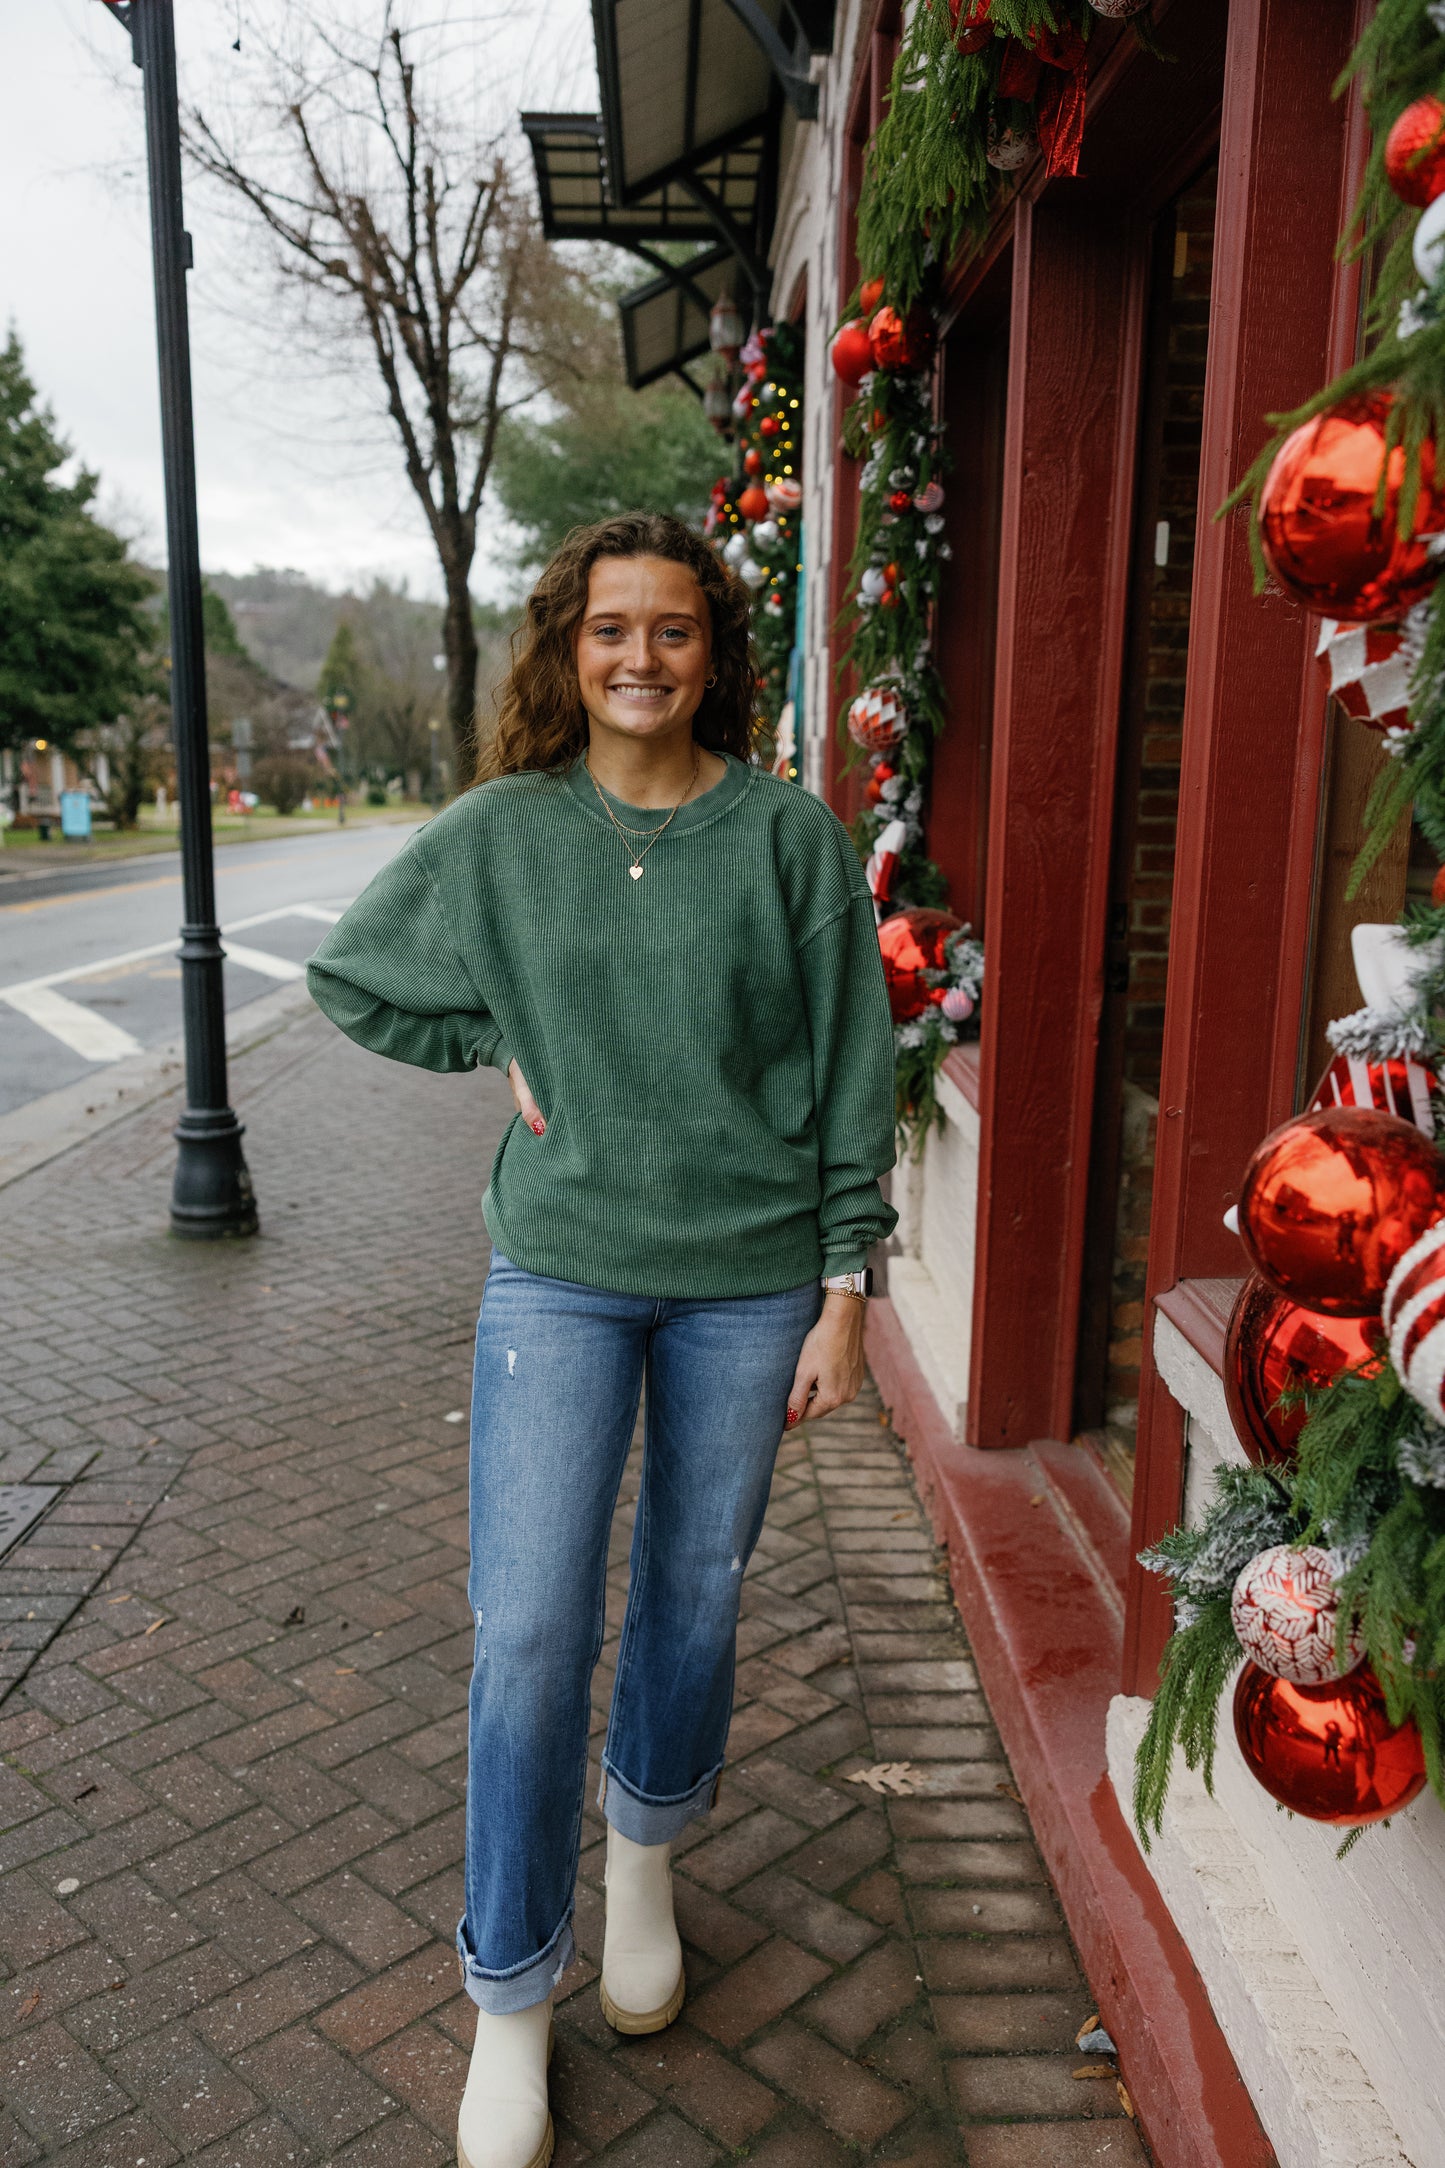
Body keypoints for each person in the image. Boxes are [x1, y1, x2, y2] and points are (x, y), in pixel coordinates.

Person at [306, 511, 897, 2168]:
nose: (642, 656)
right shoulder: (500, 831)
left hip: (749, 1279)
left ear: (717, 650)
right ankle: (510, 1997)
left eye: (676, 629)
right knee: (529, 1630)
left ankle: (640, 1858)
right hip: (558, 1271)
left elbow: (853, 1071)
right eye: (610, 628)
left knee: (693, 1597)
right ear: (569, 648)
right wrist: (498, 1034)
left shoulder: (787, 838)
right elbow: (356, 980)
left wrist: (846, 1287)